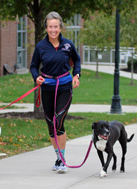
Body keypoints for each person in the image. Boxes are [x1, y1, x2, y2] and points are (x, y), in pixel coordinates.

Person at [30, 11, 81, 173]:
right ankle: (58, 157)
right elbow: (33, 66)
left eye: (56, 27)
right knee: (51, 125)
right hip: (47, 87)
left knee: (58, 120)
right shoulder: (41, 46)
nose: (53, 30)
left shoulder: (68, 45)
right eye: (50, 27)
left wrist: (76, 75)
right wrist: (36, 77)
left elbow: (77, 60)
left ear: (60, 28)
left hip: (65, 86)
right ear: (46, 28)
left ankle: (62, 159)